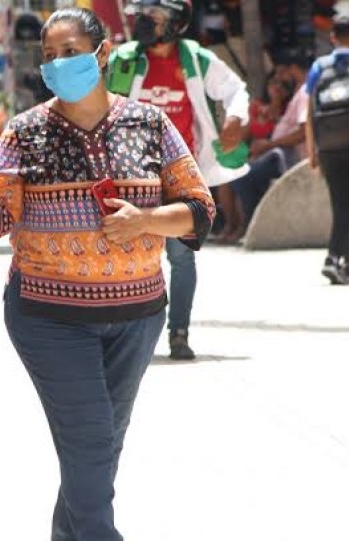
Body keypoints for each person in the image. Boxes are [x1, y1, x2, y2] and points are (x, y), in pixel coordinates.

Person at [0, 8, 214, 541]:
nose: (58, 64)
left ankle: (70, 540)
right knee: (90, 435)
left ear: (102, 54)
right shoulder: (25, 131)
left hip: (138, 312)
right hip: (47, 314)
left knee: (105, 435)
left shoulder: (150, 126)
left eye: (71, 50)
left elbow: (201, 212)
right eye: (49, 56)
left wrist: (148, 219)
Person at [106, 0, 249, 360]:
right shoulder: (123, 59)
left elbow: (236, 90)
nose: (143, 22)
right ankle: (127, 333)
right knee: (128, 256)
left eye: (152, 17)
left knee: (182, 259)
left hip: (182, 179)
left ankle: (179, 332)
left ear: (175, 22)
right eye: (141, 15)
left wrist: (236, 118)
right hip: (132, 179)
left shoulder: (195, 59)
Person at [306, 14, 349, 285]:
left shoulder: (319, 67)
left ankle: (344, 260)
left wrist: (312, 150)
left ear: (332, 37)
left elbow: (309, 112)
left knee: (341, 202)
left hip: (328, 146)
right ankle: (334, 257)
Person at [231, 50, 311, 226]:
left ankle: (254, 225)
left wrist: (268, 145)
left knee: (241, 178)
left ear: (294, 69)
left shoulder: (305, 92)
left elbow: (304, 132)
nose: (280, 78)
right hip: (277, 152)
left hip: (287, 156)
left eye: (283, 72)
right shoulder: (299, 92)